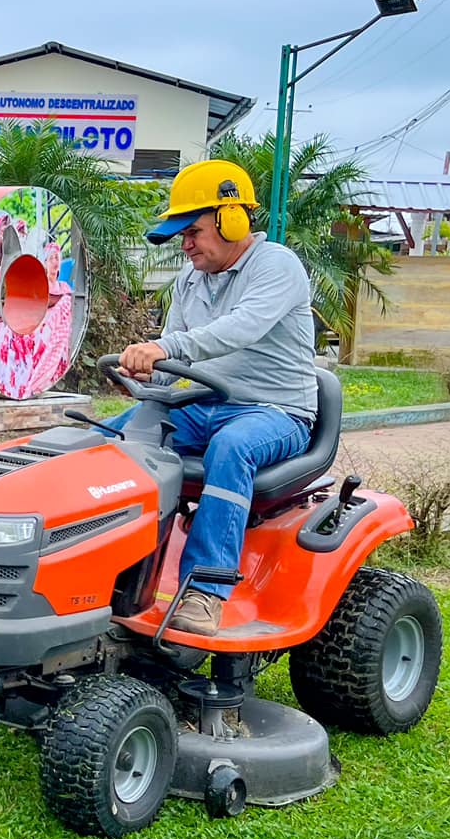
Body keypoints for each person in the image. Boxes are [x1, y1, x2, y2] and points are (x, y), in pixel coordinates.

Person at [120, 160, 318, 638]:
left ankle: (205, 589)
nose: (185, 245)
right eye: (182, 236)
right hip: (203, 405)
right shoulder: (190, 280)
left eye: (193, 232)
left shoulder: (276, 266)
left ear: (233, 220)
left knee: (232, 448)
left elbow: (241, 327)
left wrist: (165, 348)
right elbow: (172, 358)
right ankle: (117, 567)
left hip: (275, 411)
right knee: (118, 439)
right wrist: (145, 380)